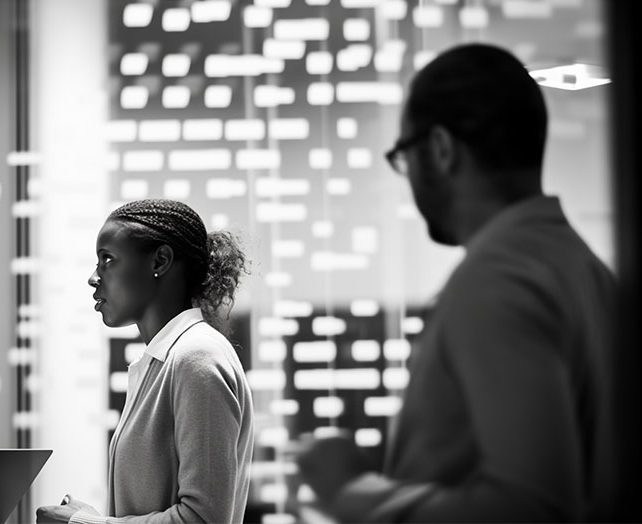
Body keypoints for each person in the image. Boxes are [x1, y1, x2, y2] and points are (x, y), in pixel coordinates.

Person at [297, 43, 617, 522]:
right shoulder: (588, 272)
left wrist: (351, 493)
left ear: (442, 150)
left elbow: (531, 508)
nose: (406, 179)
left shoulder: (497, 281)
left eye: (404, 156)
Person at [36, 199, 254, 524]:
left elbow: (203, 520)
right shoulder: (162, 363)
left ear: (161, 261)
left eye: (107, 259)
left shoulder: (197, 358)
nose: (93, 278)